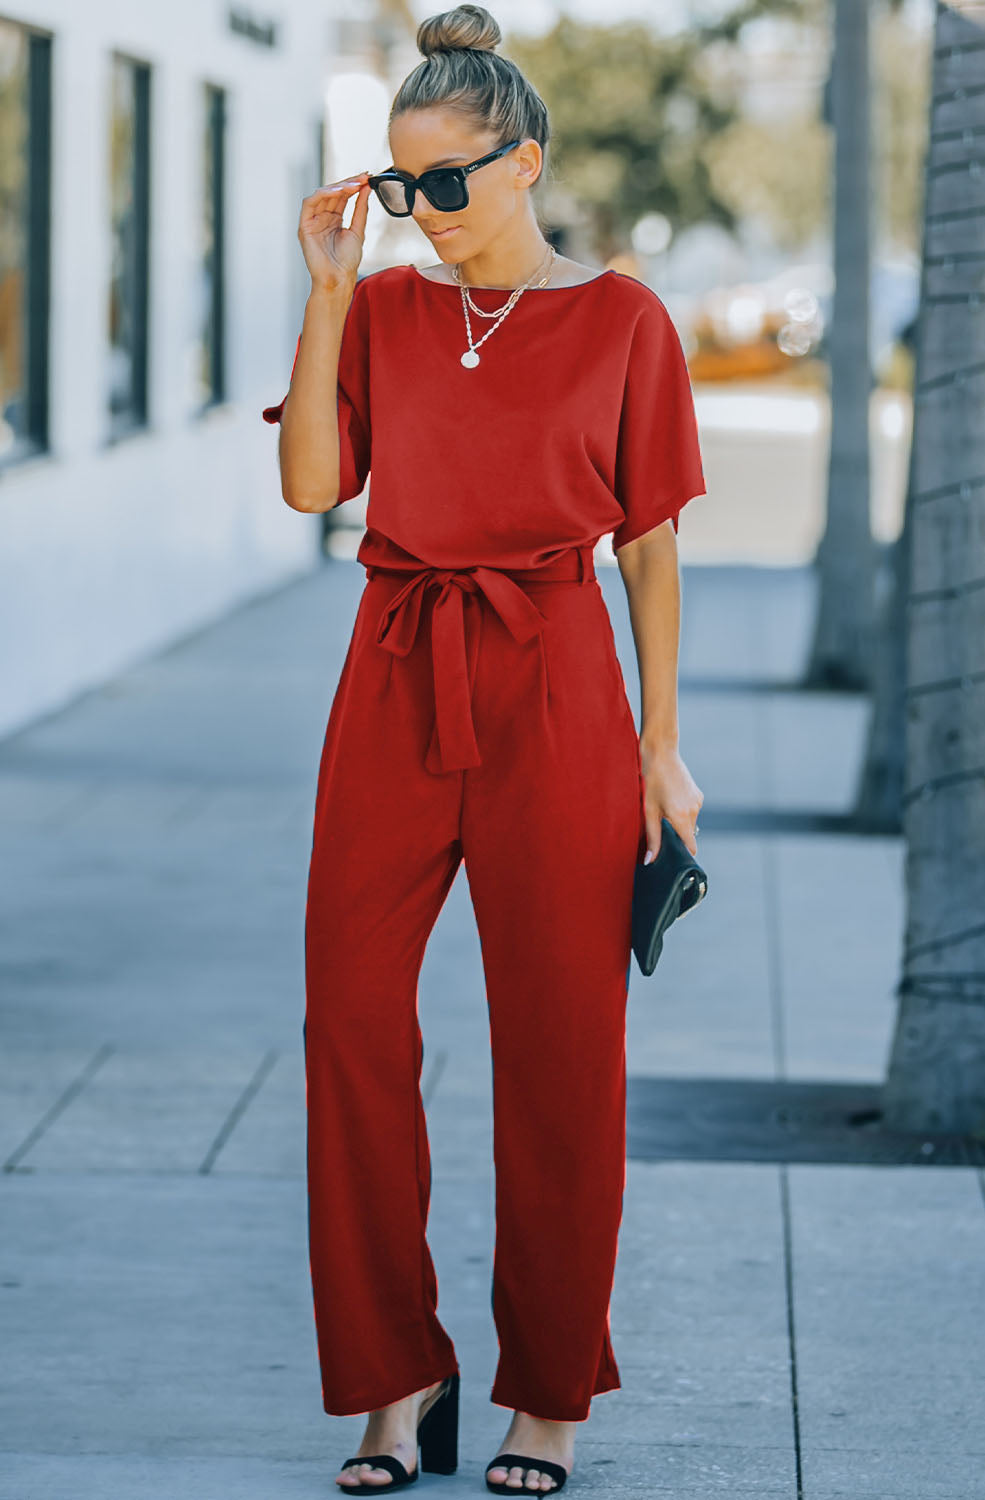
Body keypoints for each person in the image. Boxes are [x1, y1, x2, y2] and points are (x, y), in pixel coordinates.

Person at [262, 5, 706, 1493]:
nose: (418, 217)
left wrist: (660, 748)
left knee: (563, 1053)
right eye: (398, 189)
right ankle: (395, 1381)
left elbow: (647, 549)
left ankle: (548, 1399)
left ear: (525, 163)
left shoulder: (624, 322)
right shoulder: (381, 311)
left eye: (442, 185)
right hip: (392, 674)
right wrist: (328, 292)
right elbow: (313, 486)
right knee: (348, 1025)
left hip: (557, 689)